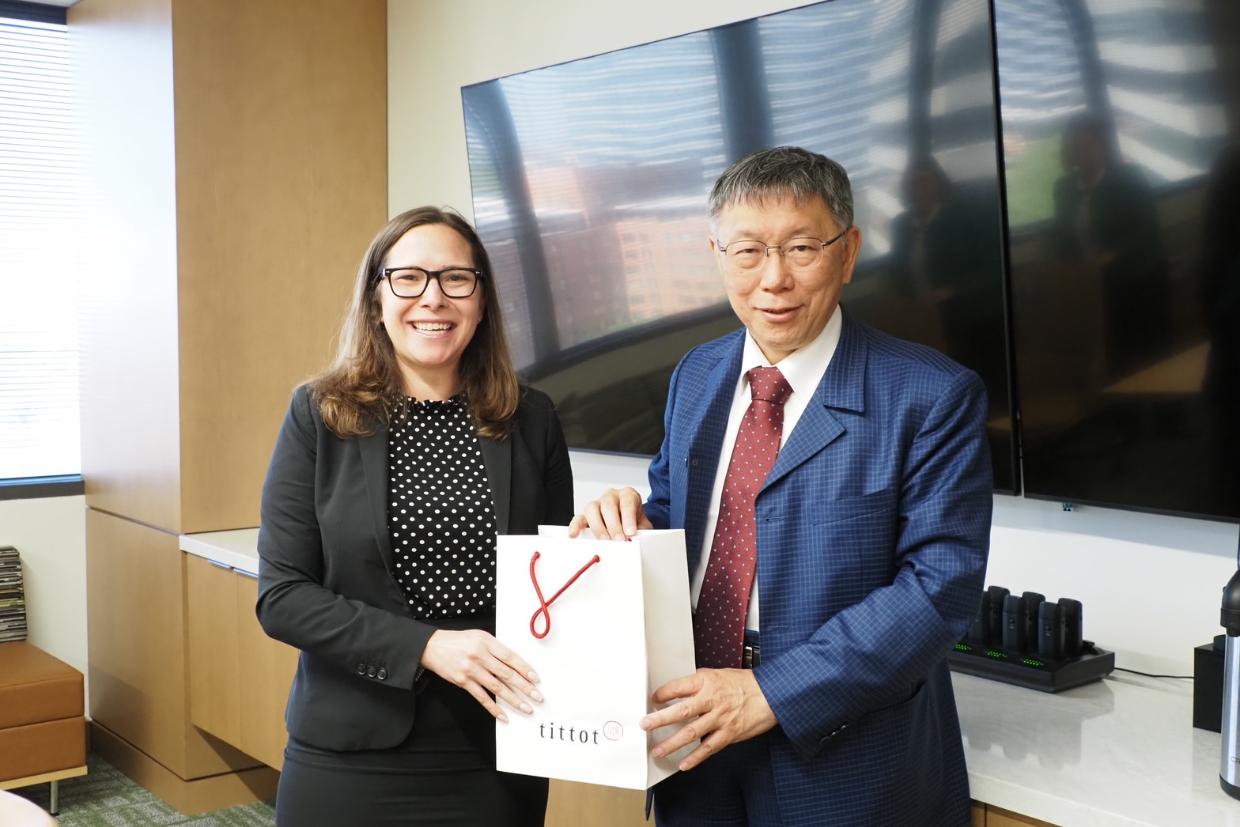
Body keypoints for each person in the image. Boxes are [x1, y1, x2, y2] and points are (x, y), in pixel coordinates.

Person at [571, 146, 992, 825]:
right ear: (717, 254)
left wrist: (769, 692)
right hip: (691, 730)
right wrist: (632, 522)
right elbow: (683, 519)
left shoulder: (930, 395)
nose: (774, 279)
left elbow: (938, 590)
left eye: (801, 247)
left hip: (845, 750)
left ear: (848, 252)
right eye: (747, 251)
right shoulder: (697, 374)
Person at [256, 206, 573, 826]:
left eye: (456, 278)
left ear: (482, 301)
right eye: (408, 278)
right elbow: (283, 597)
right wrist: (426, 646)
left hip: (497, 741)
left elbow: (554, 582)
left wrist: (616, 526)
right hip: (351, 743)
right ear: (377, 300)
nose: (433, 298)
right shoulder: (319, 414)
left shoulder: (531, 417)